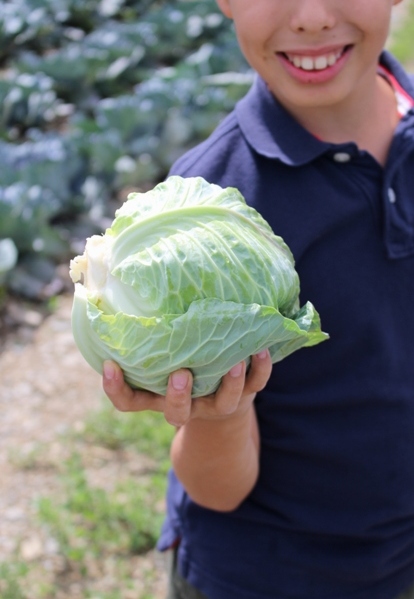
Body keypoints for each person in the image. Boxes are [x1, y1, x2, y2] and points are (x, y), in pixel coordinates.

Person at [101, 0, 414, 597]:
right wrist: (221, 412)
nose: (314, 17)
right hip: (267, 573)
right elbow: (220, 491)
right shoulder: (209, 220)